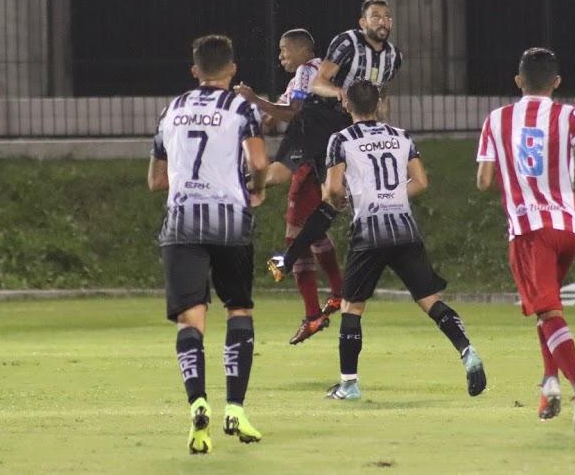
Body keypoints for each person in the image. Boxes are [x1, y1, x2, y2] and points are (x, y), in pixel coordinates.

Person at [268, 80, 486, 401]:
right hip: (403, 228)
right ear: (379, 104)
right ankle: (468, 352)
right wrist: (392, 195)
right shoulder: (401, 137)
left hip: (369, 231)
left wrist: (353, 198)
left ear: (346, 106)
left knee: (351, 307)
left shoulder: (340, 139)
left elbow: (332, 191)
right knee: (430, 301)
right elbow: (421, 181)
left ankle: (349, 384)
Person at [475, 48, 575, 436]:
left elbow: (484, 181)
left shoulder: (496, 119)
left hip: (530, 230)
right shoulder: (570, 114)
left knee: (547, 311)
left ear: (518, 81)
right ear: (556, 82)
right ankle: (548, 383)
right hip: (570, 228)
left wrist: (508, 174)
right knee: (544, 307)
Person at [148, 35, 270, 455]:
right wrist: (256, 190)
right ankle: (235, 407)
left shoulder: (172, 109)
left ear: (194, 70)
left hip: (181, 223)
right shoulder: (242, 109)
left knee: (191, 319)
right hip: (231, 221)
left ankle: (198, 402)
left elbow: (156, 180)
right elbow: (257, 163)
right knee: (239, 308)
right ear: (232, 69)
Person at [233, 29, 344, 344]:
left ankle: (314, 313)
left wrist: (255, 100)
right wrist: (267, 114)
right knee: (313, 231)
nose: (280, 56)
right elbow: (285, 110)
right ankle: (336, 294)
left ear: (303, 50)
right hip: (311, 148)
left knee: (293, 230)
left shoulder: (310, 70)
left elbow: (293, 113)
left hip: (311, 150)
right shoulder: (301, 77)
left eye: (284, 50)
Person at [301, 0, 402, 184]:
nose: (383, 21)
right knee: (330, 186)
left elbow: (382, 90)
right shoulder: (348, 43)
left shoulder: (394, 57)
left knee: (355, 183)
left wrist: (382, 120)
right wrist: (340, 92)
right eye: (376, 17)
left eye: (387, 17)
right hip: (326, 116)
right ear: (363, 22)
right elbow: (318, 82)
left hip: (357, 123)